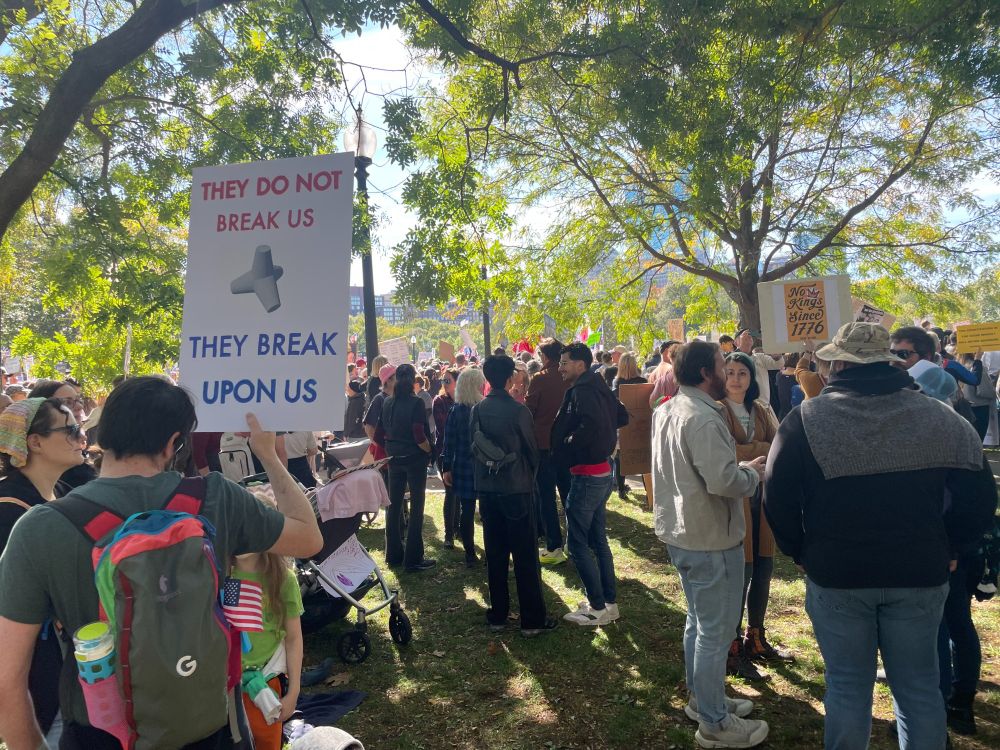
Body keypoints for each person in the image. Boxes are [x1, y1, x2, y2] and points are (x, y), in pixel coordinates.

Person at [0, 376, 322, 750]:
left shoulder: (40, 527)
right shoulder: (218, 498)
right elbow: (309, 538)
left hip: (98, 735)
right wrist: (267, 453)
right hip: (205, 727)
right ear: (174, 443)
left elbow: (8, 680)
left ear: (102, 434)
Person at [763, 322, 997, 750]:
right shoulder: (940, 416)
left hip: (838, 572)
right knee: (919, 690)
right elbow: (981, 494)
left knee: (849, 688)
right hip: (920, 572)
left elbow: (775, 494)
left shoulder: (806, 419)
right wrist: (953, 545)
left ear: (837, 364)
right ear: (890, 361)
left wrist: (799, 549)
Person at [651, 340, 769, 748]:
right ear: (706, 373)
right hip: (709, 538)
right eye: (722, 364)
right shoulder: (701, 417)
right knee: (715, 632)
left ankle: (704, 700)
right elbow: (722, 482)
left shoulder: (669, 408)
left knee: (699, 624)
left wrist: (739, 468)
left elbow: (694, 469)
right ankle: (714, 723)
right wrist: (752, 475)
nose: (728, 370)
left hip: (685, 533)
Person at [0, 398, 87, 747]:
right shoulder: (8, 509)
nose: (81, 438)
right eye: (70, 430)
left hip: (70, 666)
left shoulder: (61, 494)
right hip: (37, 674)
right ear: (34, 442)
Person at [717, 353, 790, 682]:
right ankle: (731, 646)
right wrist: (756, 450)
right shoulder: (717, 410)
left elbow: (778, 446)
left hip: (762, 503)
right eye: (730, 372)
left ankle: (755, 636)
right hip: (734, 504)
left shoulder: (761, 409)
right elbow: (723, 453)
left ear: (751, 377)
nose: (735, 379)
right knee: (740, 575)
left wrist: (750, 451)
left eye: (742, 373)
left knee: (763, 569)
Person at [471, 355, 555, 637]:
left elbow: (476, 448)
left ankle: (498, 614)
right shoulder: (519, 411)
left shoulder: (479, 410)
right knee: (524, 556)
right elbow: (532, 452)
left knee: (495, 554)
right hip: (516, 489)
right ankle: (532, 619)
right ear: (510, 379)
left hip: (489, 490)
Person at [552, 342, 626, 627]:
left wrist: (570, 442)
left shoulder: (583, 390)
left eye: (564, 363)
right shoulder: (598, 385)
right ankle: (608, 603)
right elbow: (619, 416)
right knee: (598, 540)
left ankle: (597, 607)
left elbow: (593, 424)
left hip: (587, 474)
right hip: (600, 471)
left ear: (580, 365)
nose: (560, 368)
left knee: (577, 544)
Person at [233, 493, 304, 750]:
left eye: (252, 528)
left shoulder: (282, 579)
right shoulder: (215, 572)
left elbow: (294, 637)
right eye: (236, 526)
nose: (243, 536)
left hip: (264, 683)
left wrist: (293, 690)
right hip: (223, 687)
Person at [378, 363, 435, 572]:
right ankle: (413, 558)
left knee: (393, 507)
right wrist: (430, 450)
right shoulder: (416, 403)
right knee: (417, 507)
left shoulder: (388, 403)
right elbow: (419, 435)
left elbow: (379, 433)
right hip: (413, 458)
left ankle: (393, 555)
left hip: (394, 458)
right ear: (412, 380)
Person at [525, 338, 571, 565]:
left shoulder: (540, 379)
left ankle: (554, 545)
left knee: (546, 497)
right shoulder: (568, 377)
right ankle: (576, 541)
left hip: (543, 446)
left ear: (544, 356)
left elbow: (528, 411)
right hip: (566, 444)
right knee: (569, 495)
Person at [441, 367, 485, 567]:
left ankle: (470, 554)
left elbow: (448, 443)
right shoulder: (484, 408)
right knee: (486, 511)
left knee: (467, 510)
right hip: (483, 466)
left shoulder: (456, 411)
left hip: (463, 466)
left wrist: (447, 467)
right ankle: (487, 551)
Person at [28, 379, 98, 491]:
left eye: (78, 400)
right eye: (67, 402)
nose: (79, 406)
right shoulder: (12, 499)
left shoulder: (60, 487)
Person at [611, 353, 647, 499]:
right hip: (640, 423)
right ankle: (648, 490)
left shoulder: (617, 382)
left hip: (623, 423)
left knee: (621, 457)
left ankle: (620, 489)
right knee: (644, 455)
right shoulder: (643, 381)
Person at [433, 368, 460, 546]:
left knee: (460, 493)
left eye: (448, 380)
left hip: (462, 452)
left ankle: (458, 529)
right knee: (450, 492)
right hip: (445, 451)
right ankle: (449, 534)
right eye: (444, 380)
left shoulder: (463, 401)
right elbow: (443, 427)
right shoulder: (439, 401)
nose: (445, 383)